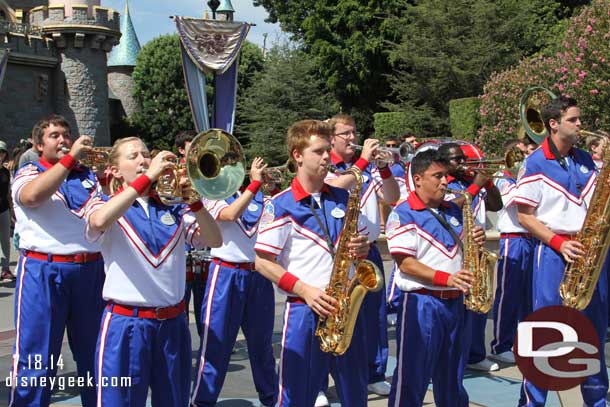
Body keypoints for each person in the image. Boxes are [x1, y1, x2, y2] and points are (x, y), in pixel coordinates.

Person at [85, 137, 222, 407]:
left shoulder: (174, 207)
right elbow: (99, 221)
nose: (143, 160)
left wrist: (195, 202)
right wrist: (146, 177)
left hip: (172, 323)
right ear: (114, 170)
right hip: (127, 324)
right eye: (133, 156)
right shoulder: (102, 202)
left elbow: (214, 240)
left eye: (146, 154)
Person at [254, 119, 371, 407]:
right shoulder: (280, 205)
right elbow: (262, 262)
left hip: (345, 307)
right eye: (318, 151)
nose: (326, 157)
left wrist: (362, 248)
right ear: (297, 155)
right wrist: (305, 290)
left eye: (327, 150)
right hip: (305, 309)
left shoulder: (343, 197)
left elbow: (359, 246)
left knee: (356, 393)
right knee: (296, 395)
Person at [514, 96, 608, 407]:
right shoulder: (535, 162)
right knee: (546, 329)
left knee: (593, 330)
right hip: (554, 251)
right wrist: (558, 242)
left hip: (589, 251)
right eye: (574, 120)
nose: (580, 125)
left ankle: (596, 400)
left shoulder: (584, 159)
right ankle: (532, 402)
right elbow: (525, 215)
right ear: (553, 124)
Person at [8, 115, 105, 407]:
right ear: (39, 144)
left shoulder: (87, 174)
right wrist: (71, 158)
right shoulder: (28, 171)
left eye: (66, 134)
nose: (63, 139)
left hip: (90, 269)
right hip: (43, 269)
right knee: (37, 356)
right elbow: (33, 196)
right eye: (54, 136)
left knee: (96, 355)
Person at [386, 149, 485, 407]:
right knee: (412, 377)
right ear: (418, 179)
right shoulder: (404, 213)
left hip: (455, 303)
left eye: (446, 176)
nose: (445, 182)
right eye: (437, 176)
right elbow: (405, 263)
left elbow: (461, 251)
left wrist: (475, 242)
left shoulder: (452, 209)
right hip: (422, 302)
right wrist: (447, 278)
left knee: (452, 378)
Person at [190, 157, 277, 407]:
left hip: (259, 273)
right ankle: (202, 401)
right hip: (226, 274)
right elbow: (229, 215)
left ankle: (271, 398)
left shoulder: (263, 198)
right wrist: (254, 186)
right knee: (216, 343)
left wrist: (263, 188)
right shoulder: (213, 196)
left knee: (262, 345)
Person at [324, 114, 399, 400]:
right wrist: (364, 162)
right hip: (339, 255)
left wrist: (384, 169)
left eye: (355, 132)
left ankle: (374, 373)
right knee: (336, 320)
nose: (353, 138)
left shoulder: (366, 168)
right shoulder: (327, 165)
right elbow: (334, 188)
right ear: (332, 138)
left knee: (374, 316)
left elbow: (392, 197)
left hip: (368, 249)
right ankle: (321, 383)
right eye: (346, 134)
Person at [438, 141, 503, 372]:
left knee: (478, 305)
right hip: (452, 250)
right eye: (457, 159)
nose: (463, 162)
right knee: (455, 309)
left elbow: (496, 205)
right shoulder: (442, 183)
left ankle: (475, 355)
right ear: (443, 162)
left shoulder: (469, 180)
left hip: (476, 248)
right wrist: (476, 185)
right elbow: (448, 207)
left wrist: (490, 184)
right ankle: (448, 359)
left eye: (463, 157)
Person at [488, 139, 534, 364]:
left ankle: (525, 342)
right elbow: (512, 201)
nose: (523, 157)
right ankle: (500, 344)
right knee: (508, 294)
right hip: (513, 239)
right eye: (519, 153)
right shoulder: (502, 177)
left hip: (531, 238)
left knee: (529, 296)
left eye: (524, 153)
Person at [175, 129, 206, 335]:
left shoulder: (206, 172)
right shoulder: (172, 174)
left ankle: (208, 344)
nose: (197, 150)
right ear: (180, 150)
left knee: (205, 306)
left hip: (205, 248)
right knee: (180, 306)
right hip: (183, 252)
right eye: (192, 145)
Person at [0, 141, 13, 281]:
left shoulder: (5, 172)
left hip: (3, 209)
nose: (0, 155)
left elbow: (8, 193)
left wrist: (12, 212)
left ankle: (5, 270)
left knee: (5, 241)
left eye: (2, 152)